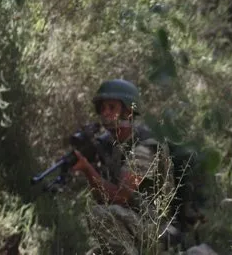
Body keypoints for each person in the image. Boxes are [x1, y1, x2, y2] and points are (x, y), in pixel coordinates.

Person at [71, 79, 174, 255]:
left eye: (112, 107)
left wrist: (88, 170)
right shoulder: (114, 146)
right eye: (102, 108)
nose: (105, 113)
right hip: (133, 224)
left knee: (101, 214)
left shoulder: (145, 146)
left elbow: (121, 197)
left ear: (128, 111)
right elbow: (102, 197)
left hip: (158, 231)